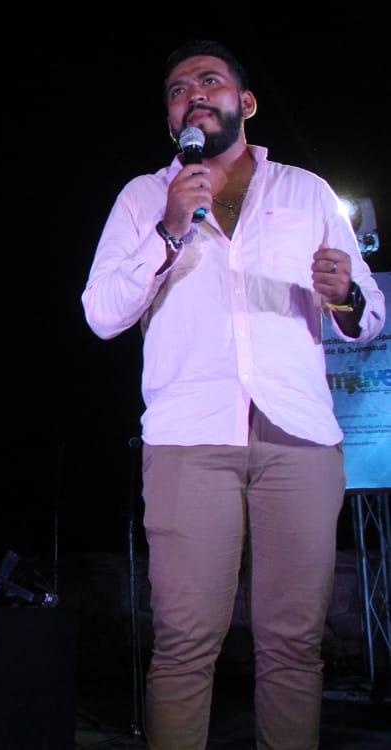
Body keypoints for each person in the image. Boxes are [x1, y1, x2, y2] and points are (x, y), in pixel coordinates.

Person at [81, 40, 385, 749]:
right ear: (170, 121)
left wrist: (344, 295)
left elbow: (368, 311)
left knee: (293, 646)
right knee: (184, 645)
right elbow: (100, 314)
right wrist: (167, 230)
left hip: (298, 437)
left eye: (208, 81)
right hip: (188, 439)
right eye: (177, 89)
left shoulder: (306, 193)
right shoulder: (143, 199)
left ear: (243, 103)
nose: (192, 93)